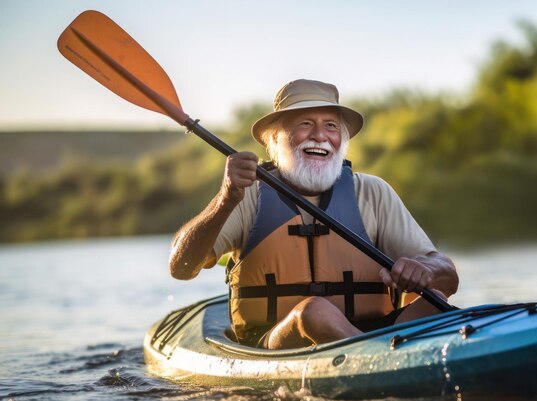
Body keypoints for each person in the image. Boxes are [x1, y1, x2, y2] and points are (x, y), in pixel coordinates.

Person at [169, 79, 459, 350]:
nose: (320, 136)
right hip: (278, 341)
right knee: (315, 312)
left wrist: (426, 271)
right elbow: (181, 267)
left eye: (331, 126)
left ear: (342, 139)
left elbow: (448, 278)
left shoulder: (373, 192)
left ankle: (379, 355)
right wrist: (225, 198)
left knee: (435, 303)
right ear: (274, 139)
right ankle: (380, 359)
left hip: (375, 331)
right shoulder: (246, 195)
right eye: (305, 124)